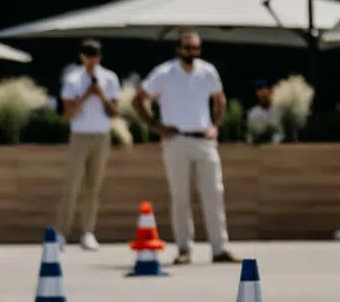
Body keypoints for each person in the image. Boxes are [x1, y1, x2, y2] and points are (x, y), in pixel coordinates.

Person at [133, 30, 235, 265]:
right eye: (188, 48)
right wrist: (157, 127)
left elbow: (220, 99)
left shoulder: (207, 71)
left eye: (196, 48)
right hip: (176, 139)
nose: (192, 52)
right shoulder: (164, 73)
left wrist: (215, 126)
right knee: (180, 195)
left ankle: (219, 248)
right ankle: (184, 248)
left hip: (204, 138)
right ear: (178, 49)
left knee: (214, 193)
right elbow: (138, 100)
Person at [55, 39, 119, 251]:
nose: (92, 60)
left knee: (93, 186)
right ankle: (62, 233)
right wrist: (85, 96)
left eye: (96, 56)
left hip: (101, 135)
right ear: (82, 57)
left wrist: (100, 94)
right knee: (71, 186)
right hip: (79, 135)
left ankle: (88, 232)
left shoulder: (110, 78)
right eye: (88, 55)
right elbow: (68, 114)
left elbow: (114, 112)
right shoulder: (73, 79)